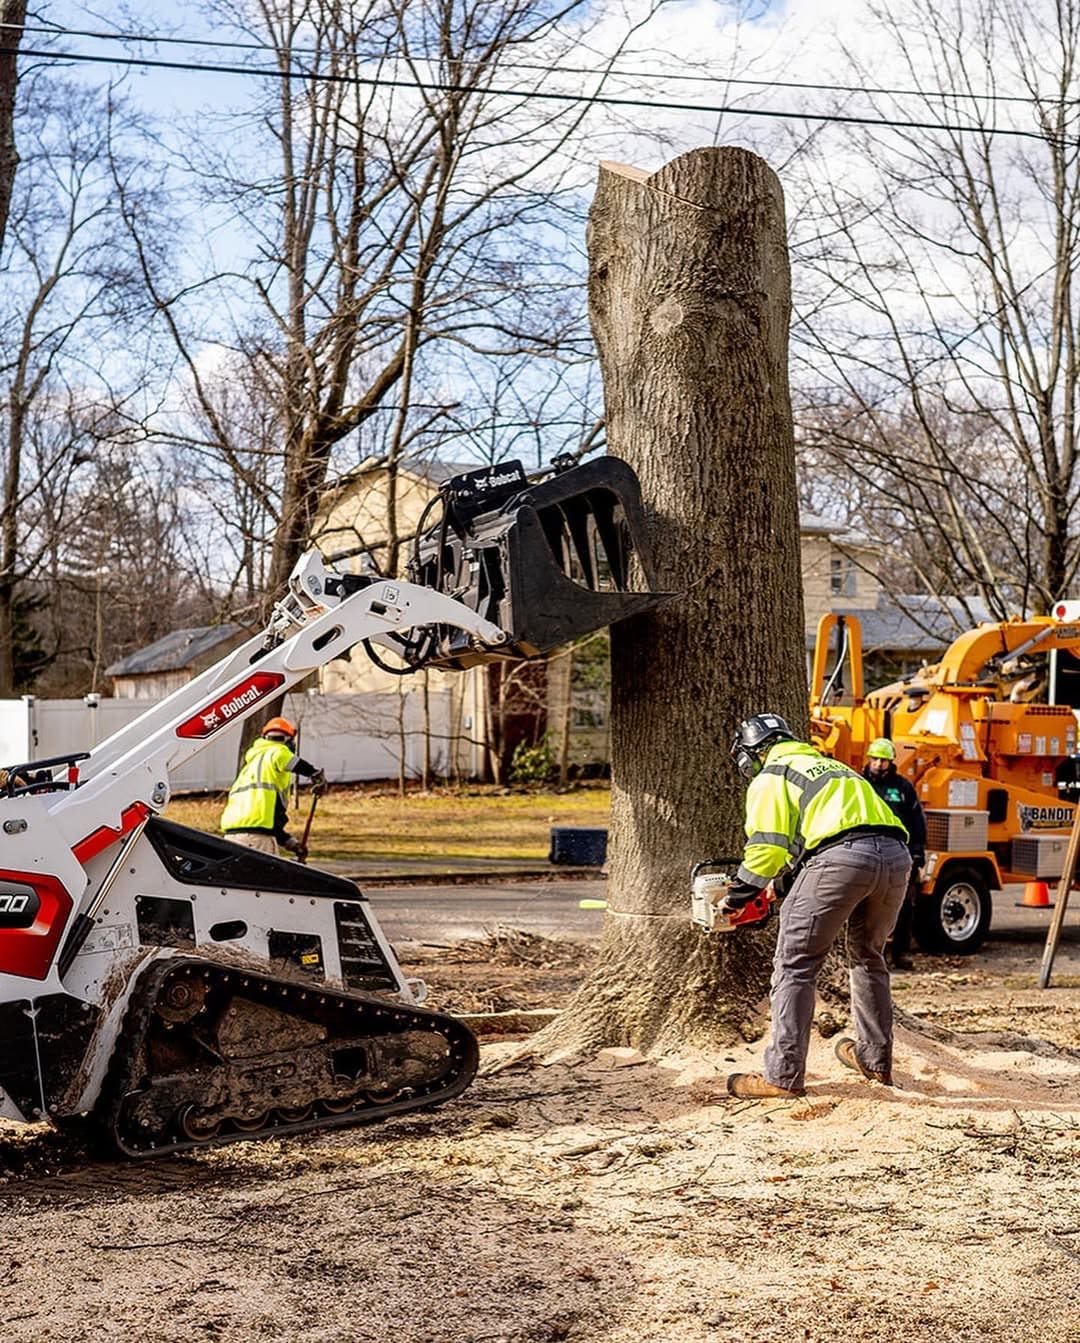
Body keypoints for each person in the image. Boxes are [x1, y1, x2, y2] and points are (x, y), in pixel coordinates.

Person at [723, 713, 912, 1100]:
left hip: (840, 859)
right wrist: (783, 884)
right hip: (894, 857)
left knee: (795, 964)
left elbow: (768, 847)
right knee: (868, 957)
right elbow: (829, 835)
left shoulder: (773, 772)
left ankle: (782, 1076)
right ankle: (875, 1062)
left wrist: (738, 893)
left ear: (754, 751)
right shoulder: (834, 768)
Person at [863, 738, 927, 971]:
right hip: (866, 852)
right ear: (869, 759)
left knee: (904, 906)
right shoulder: (860, 785)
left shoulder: (902, 788)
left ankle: (901, 953)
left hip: (900, 854)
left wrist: (918, 851)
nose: (880, 764)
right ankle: (872, 953)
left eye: (884, 760)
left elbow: (917, 820)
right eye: (876, 759)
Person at [221, 716, 326, 859]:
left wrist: (291, 843)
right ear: (288, 741)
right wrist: (314, 774)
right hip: (257, 840)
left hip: (233, 837)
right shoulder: (277, 752)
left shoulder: (250, 769)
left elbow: (262, 822)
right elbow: (286, 758)